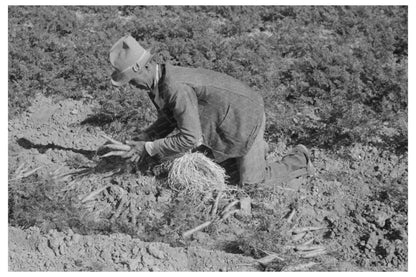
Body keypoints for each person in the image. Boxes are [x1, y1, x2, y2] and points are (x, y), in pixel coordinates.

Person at [103, 35, 314, 185]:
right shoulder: (159, 81)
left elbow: (188, 137)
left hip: (246, 117)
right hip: (224, 117)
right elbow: (171, 118)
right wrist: (147, 135)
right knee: (224, 166)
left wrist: (147, 148)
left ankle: (299, 158)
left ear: (145, 68)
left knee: (253, 183)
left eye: (131, 80)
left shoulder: (175, 88)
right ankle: (257, 150)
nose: (131, 85)